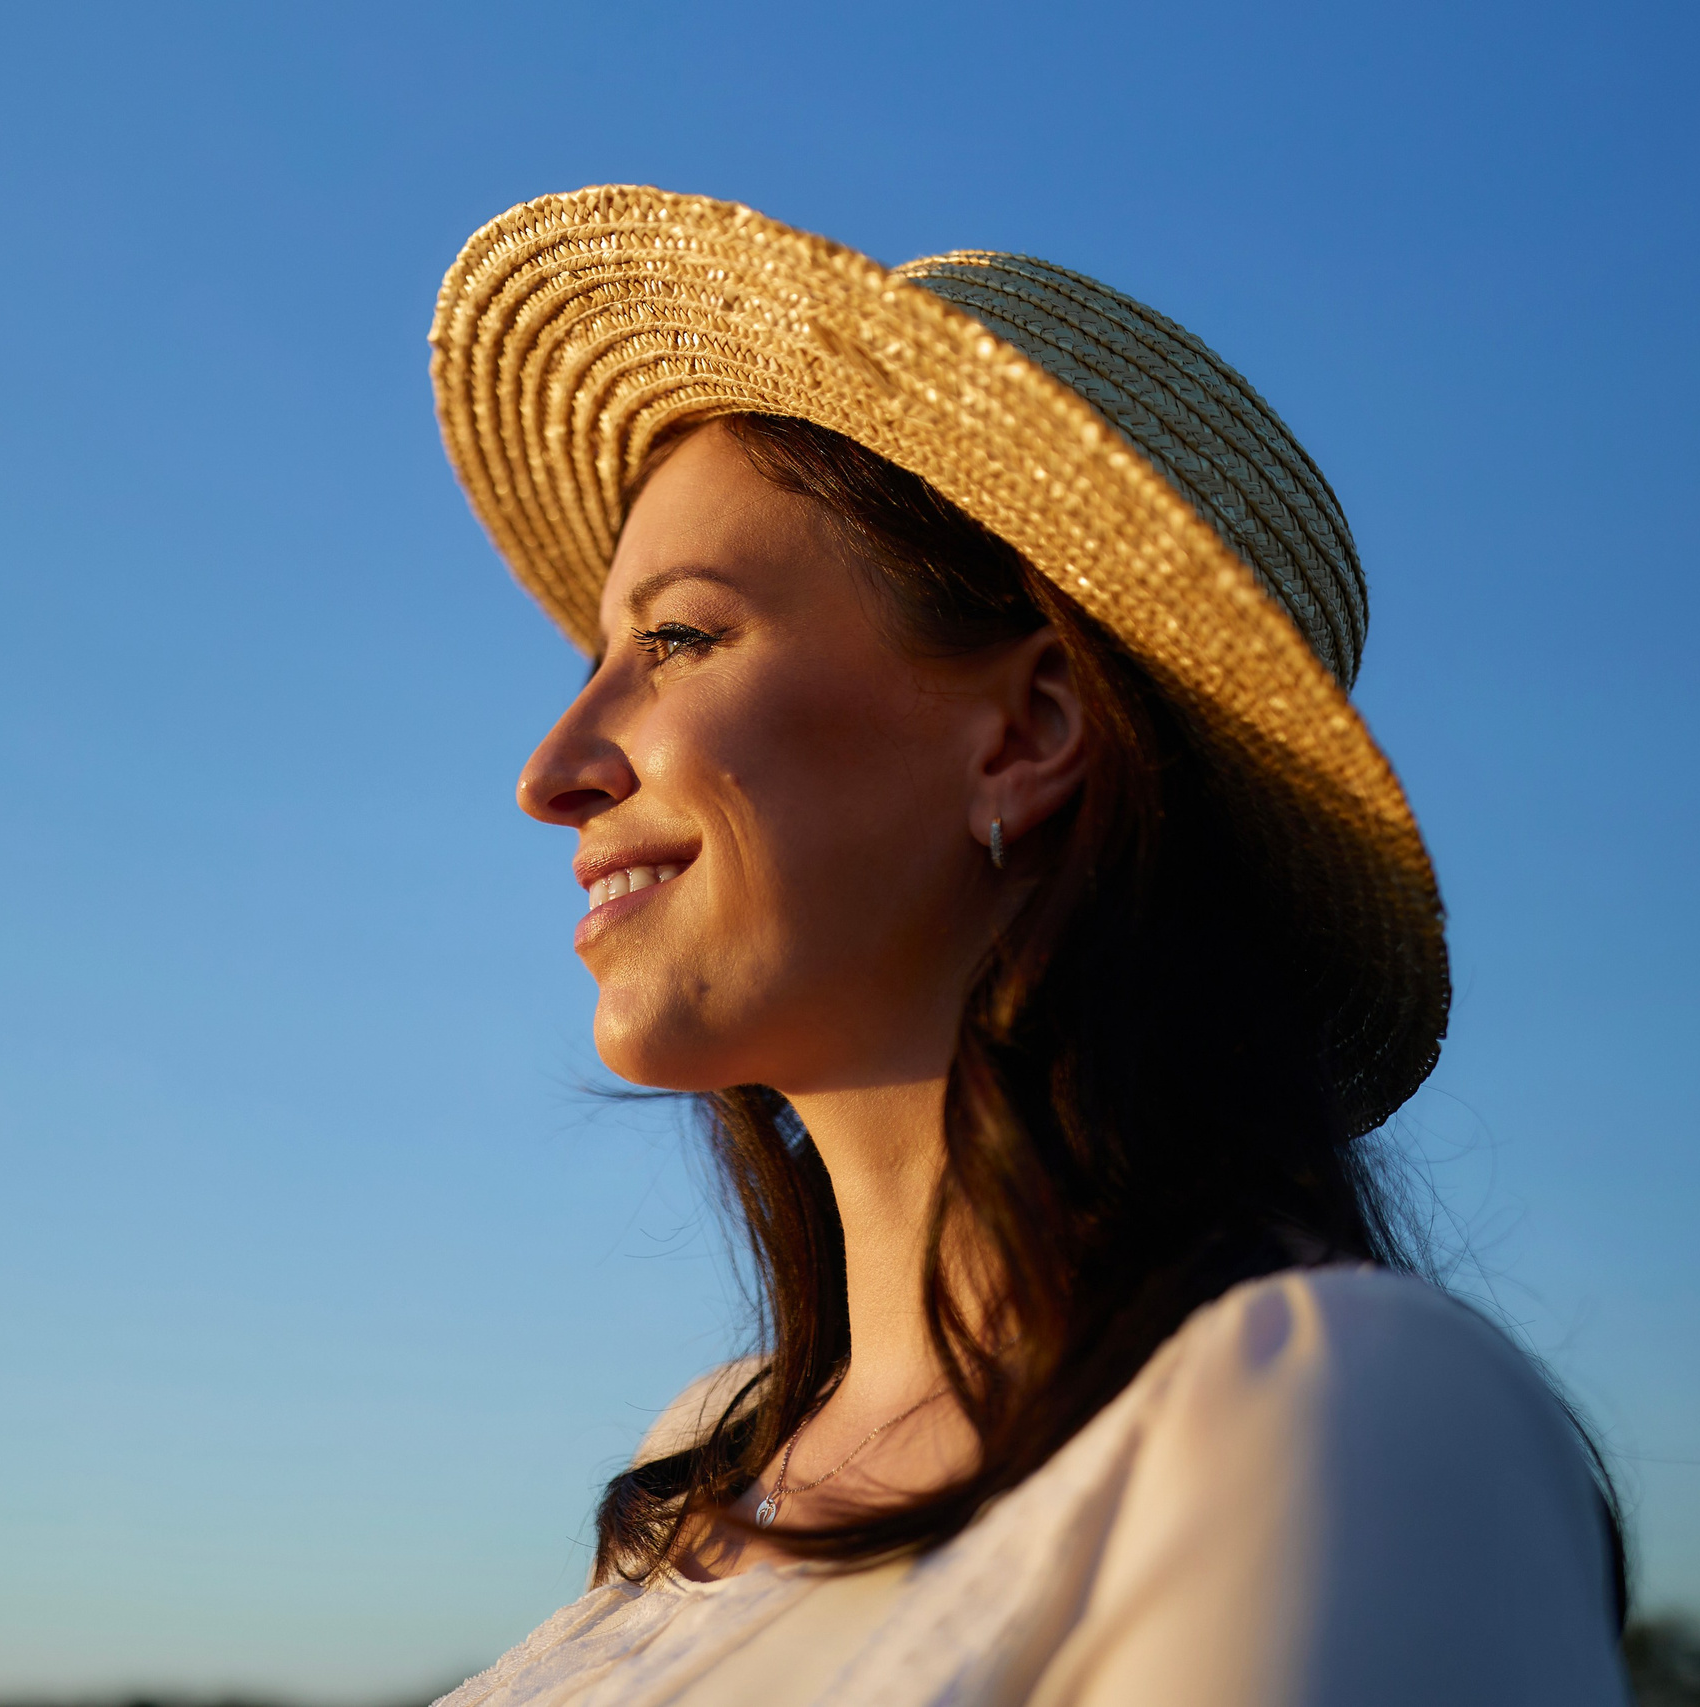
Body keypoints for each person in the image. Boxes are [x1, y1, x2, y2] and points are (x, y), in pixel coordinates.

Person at [423, 187, 1629, 1706]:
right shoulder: (698, 1476)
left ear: (1031, 733)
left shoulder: (1335, 1415)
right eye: (600, 656)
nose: (555, 768)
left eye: (677, 639)